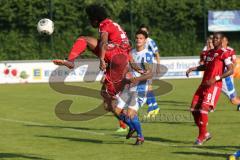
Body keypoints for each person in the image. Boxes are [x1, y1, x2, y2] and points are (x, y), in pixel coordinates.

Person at [53, 4, 131, 112]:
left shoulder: (104, 25)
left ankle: (70, 61)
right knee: (106, 98)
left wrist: (102, 59)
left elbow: (103, 42)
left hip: (116, 54)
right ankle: (129, 122)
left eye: (90, 19)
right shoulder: (112, 23)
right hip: (122, 58)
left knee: (84, 40)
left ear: (95, 19)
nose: (90, 22)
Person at [186, 32, 234, 145]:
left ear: (222, 40)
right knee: (193, 110)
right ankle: (205, 133)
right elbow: (205, 66)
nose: (214, 40)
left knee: (203, 109)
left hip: (214, 85)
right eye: (213, 38)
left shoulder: (224, 53)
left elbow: (231, 70)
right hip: (204, 84)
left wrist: (216, 78)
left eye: (217, 38)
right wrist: (193, 68)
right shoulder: (210, 53)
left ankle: (201, 137)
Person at [114, 30, 153, 145]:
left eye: (141, 38)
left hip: (141, 88)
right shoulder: (131, 52)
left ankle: (140, 137)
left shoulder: (147, 54)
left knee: (130, 113)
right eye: (137, 38)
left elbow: (150, 74)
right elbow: (128, 67)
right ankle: (132, 127)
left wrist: (136, 79)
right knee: (116, 110)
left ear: (145, 40)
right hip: (129, 87)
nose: (138, 40)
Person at [139, 24, 160, 118]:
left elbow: (157, 54)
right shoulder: (140, 41)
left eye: (144, 31)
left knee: (147, 88)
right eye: (141, 31)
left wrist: (158, 66)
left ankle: (152, 108)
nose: (143, 32)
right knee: (148, 88)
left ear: (147, 32)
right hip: (142, 67)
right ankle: (154, 107)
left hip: (149, 66)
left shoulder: (150, 41)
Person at [221, 36, 240, 111]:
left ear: (227, 42)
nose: (222, 42)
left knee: (233, 98)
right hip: (220, 75)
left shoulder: (230, 50)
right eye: (221, 41)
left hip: (227, 75)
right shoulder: (218, 50)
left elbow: (234, 61)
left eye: (224, 41)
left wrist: (232, 70)